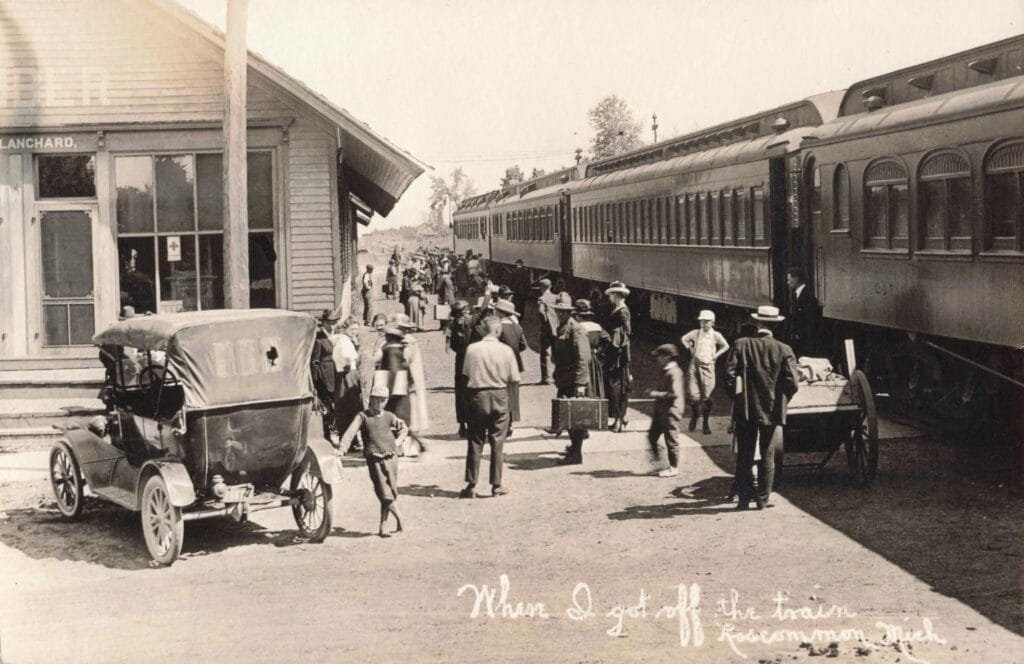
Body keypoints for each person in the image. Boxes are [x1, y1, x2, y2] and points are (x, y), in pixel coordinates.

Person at [726, 305, 800, 510]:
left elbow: (729, 377)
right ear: (775, 325)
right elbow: (792, 382)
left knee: (745, 453)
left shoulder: (741, 344)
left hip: (746, 409)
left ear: (757, 323)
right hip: (771, 408)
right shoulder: (784, 349)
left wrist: (738, 398)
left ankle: (743, 499)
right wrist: (781, 401)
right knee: (767, 452)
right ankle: (763, 499)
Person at [335, 383, 407, 537]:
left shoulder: (389, 416)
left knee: (391, 491)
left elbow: (404, 428)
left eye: (383, 400)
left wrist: (398, 441)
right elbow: (350, 432)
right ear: (371, 399)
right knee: (383, 492)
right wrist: (342, 448)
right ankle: (401, 518)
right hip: (374, 459)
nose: (379, 403)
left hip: (392, 457)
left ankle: (383, 527)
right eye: (376, 400)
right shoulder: (363, 416)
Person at [460, 316, 520, 498]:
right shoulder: (506, 350)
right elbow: (514, 380)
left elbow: (466, 374)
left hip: (477, 396)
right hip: (500, 395)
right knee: (497, 442)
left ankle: (471, 485)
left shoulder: (472, 349)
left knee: (475, 441)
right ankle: (496, 484)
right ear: (496, 330)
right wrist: (513, 411)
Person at [551, 292, 593, 465]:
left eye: (564, 311)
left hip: (575, 381)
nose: (561, 314)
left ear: (570, 312)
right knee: (567, 416)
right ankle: (574, 449)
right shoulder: (562, 327)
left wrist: (580, 384)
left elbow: (583, 358)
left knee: (576, 418)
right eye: (558, 311)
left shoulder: (576, 329)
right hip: (564, 379)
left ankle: (576, 454)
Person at [680, 310, 730, 434]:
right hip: (694, 367)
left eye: (706, 321)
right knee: (693, 396)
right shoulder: (696, 333)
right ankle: (695, 415)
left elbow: (726, 346)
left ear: (712, 322)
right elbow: (684, 339)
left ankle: (705, 423)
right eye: (702, 321)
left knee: (706, 397)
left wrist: (716, 356)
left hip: (708, 367)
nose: (703, 323)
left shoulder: (715, 335)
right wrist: (690, 348)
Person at [390, 313, 430, 453]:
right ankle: (411, 442)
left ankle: (410, 444)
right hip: (407, 379)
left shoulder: (408, 342)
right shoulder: (404, 341)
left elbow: (406, 362)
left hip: (407, 380)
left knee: (407, 412)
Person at [647, 344, 686, 478]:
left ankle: (674, 467)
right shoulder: (666, 370)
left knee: (671, 439)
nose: (657, 359)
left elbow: (674, 394)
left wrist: (655, 394)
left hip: (671, 410)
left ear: (667, 357)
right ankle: (660, 464)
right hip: (662, 409)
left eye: (659, 356)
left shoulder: (674, 372)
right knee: (652, 436)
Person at [332, 316, 364, 454]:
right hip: (347, 375)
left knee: (351, 409)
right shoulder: (343, 340)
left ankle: (353, 441)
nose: (354, 332)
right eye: (352, 329)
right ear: (345, 328)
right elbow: (345, 356)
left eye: (356, 329)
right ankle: (349, 442)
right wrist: (348, 362)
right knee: (349, 408)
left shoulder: (347, 340)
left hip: (350, 375)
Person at [495, 299, 527, 433]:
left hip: (499, 364)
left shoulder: (497, 328)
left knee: (500, 393)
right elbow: (523, 345)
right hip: (514, 365)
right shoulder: (517, 327)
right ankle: (511, 423)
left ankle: (502, 423)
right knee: (513, 394)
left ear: (501, 313)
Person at [604, 281, 632, 432]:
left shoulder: (622, 311)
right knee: (618, 385)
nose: (609, 297)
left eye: (611, 294)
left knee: (617, 386)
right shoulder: (619, 309)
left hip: (618, 356)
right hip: (618, 354)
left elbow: (627, 331)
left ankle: (619, 419)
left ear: (616, 295)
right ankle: (621, 418)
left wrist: (616, 343)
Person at [447, 300, 474, 438]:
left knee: (460, 393)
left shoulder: (452, 324)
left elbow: (451, 346)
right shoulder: (470, 321)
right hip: (472, 359)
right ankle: (472, 423)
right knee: (472, 391)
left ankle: (462, 425)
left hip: (459, 360)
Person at [311, 310, 338, 445]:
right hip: (324, 376)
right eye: (329, 323)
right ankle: (327, 435)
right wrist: (315, 381)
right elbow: (315, 361)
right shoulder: (319, 338)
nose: (332, 326)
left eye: (334, 323)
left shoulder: (337, 336)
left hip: (337, 374)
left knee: (337, 405)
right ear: (324, 322)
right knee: (326, 406)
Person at [786, 267, 819, 357]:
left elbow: (809, 320)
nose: (787, 283)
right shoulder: (797, 294)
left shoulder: (807, 296)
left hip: (805, 340)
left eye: (789, 279)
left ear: (796, 279)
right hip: (800, 339)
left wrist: (799, 334)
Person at [536, 278, 559, 385]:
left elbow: (541, 312)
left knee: (545, 352)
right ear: (550, 286)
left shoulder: (542, 298)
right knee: (557, 351)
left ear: (541, 288)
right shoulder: (556, 297)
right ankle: (558, 376)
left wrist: (545, 321)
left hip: (546, 329)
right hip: (557, 328)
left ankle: (546, 378)